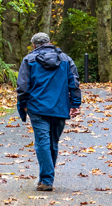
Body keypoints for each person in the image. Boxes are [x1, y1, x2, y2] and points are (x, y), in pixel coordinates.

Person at [16, 32, 82, 192]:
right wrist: (75, 103)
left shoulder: (29, 60)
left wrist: (23, 104)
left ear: (34, 45)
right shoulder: (66, 59)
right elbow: (74, 82)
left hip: (37, 107)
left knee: (43, 143)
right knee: (52, 142)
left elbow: (22, 86)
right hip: (60, 107)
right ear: (49, 42)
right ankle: (46, 179)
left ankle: (46, 180)